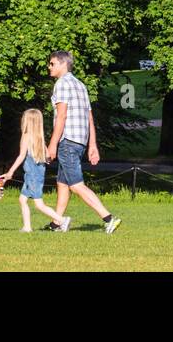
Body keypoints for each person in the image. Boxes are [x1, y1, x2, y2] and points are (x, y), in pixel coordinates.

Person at [47, 50, 121, 234]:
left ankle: (109, 218)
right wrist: (92, 145)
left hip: (67, 141)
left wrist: (52, 144)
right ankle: (57, 223)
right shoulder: (80, 85)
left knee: (76, 184)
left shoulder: (62, 84)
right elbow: (89, 117)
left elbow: (62, 116)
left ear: (63, 64)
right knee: (63, 183)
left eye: (52, 63)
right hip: (79, 141)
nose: (49, 67)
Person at [0, 109, 70, 233]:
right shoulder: (39, 137)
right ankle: (27, 227)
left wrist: (10, 172)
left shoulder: (26, 136)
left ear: (27, 121)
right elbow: (48, 156)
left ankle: (62, 220)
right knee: (22, 199)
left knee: (39, 204)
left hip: (32, 175)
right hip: (35, 174)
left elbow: (21, 156)